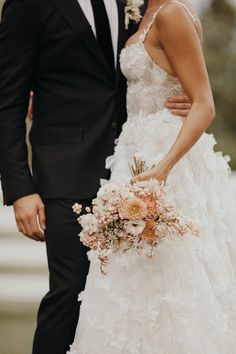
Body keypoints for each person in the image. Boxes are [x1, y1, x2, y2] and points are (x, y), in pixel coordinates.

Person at [0, 0, 190, 353]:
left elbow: (154, 62)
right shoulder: (28, 5)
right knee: (71, 292)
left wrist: (188, 96)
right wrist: (20, 189)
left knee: (124, 303)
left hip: (129, 171)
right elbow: (7, 101)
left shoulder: (132, 2)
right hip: (63, 173)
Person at [67, 1, 236, 353]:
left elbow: (204, 103)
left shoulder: (171, 13)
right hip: (133, 152)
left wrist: (164, 167)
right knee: (132, 274)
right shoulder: (143, 10)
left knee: (170, 271)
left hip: (164, 156)